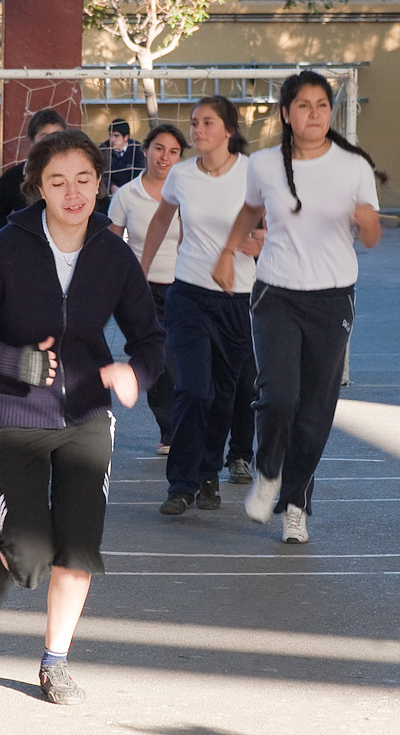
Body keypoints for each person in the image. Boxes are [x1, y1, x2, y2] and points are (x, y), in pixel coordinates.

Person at [0, 129, 164, 706]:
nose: (73, 193)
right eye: (58, 182)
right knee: (33, 556)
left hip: (88, 413)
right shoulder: (9, 249)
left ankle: (55, 660)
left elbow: (150, 337)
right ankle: (8, 554)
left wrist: (135, 372)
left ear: (100, 184)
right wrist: (14, 360)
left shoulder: (113, 254)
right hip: (17, 414)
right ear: (38, 187)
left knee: (79, 548)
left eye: (84, 180)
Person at [213, 70, 384, 543]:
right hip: (276, 294)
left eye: (322, 105)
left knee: (314, 412)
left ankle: (296, 504)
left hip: (333, 299)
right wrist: (228, 252)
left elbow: (370, 238)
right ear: (286, 114)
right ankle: (268, 473)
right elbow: (251, 210)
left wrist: (367, 221)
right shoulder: (264, 164)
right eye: (304, 105)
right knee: (279, 395)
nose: (315, 113)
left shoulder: (354, 167)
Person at [141, 96, 262, 516]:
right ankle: (181, 483)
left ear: (228, 130)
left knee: (223, 396)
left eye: (207, 122)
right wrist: (141, 271)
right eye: (194, 123)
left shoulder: (252, 174)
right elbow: (161, 219)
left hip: (235, 299)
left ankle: (210, 472)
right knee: (192, 388)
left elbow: (280, 229)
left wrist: (257, 242)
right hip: (188, 292)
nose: (197, 130)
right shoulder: (182, 175)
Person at [107, 123, 186, 454]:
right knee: (158, 361)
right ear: (145, 150)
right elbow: (112, 242)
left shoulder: (188, 193)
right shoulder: (127, 195)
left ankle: (189, 426)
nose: (164, 157)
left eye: (173, 152)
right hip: (142, 292)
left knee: (183, 361)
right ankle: (170, 430)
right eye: (159, 149)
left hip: (186, 287)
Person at [0, 108, 66, 236]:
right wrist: (8, 242)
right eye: (44, 136)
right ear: (32, 140)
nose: (51, 141)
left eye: (57, 135)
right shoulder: (15, 176)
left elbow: (100, 205)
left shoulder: (76, 172)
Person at [97, 118, 145, 216]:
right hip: (109, 195)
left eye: (116, 136)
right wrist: (112, 187)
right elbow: (102, 174)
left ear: (126, 137)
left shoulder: (138, 149)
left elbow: (140, 174)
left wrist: (125, 191)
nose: (112, 139)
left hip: (132, 193)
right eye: (110, 136)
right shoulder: (103, 149)